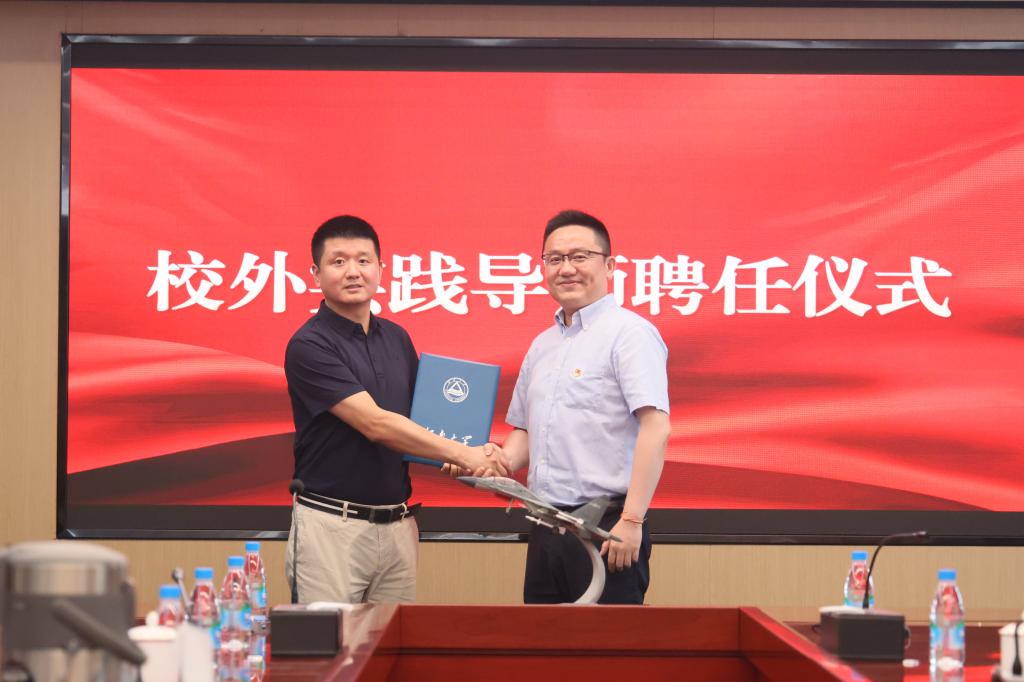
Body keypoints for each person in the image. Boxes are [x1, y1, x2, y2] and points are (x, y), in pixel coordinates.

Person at [284, 215, 509, 604]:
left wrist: (456, 453)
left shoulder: (397, 338)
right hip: (331, 528)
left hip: (398, 526)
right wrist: (465, 454)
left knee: (393, 641)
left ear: (381, 269)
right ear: (316, 274)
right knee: (330, 642)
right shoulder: (309, 345)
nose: (353, 271)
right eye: (338, 261)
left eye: (364, 260)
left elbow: (423, 421)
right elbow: (375, 423)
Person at [501, 209, 671, 604]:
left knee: (607, 644)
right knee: (543, 641)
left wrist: (632, 520)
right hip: (545, 525)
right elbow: (524, 433)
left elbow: (656, 427)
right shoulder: (542, 345)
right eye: (554, 258)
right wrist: (485, 461)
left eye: (580, 257)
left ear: (609, 265)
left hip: (607, 527)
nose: (566, 269)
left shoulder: (630, 334)